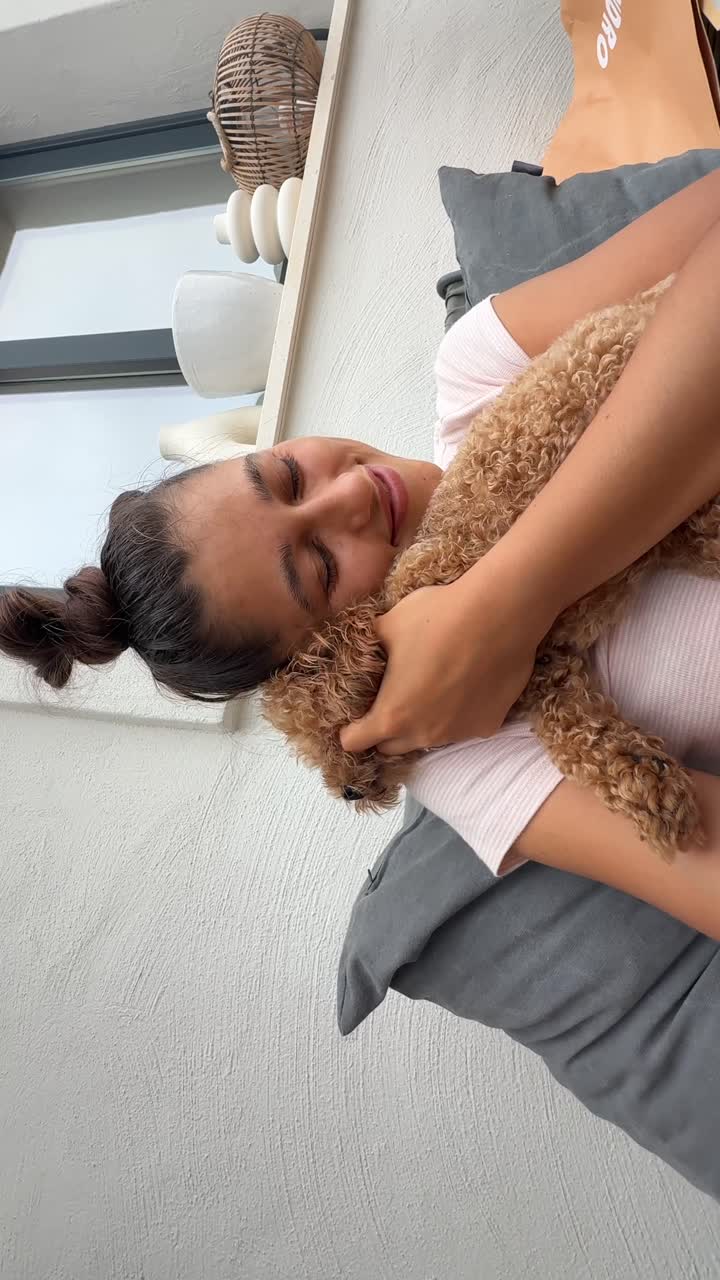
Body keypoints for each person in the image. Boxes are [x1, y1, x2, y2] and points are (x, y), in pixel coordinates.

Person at [4, 171, 720, 937]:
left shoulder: (478, 371)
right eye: (318, 566)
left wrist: (507, 598)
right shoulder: (453, 743)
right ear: (321, 658)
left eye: (285, 475)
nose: (347, 497)